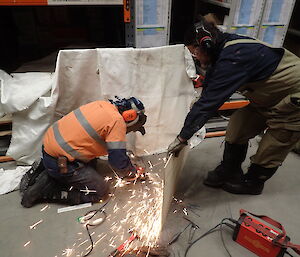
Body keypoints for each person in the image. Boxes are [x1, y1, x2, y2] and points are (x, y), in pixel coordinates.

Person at [167, 15, 300, 195]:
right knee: (237, 128)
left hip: (293, 100)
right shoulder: (221, 47)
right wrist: (202, 98)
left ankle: (253, 182)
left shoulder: (234, 57)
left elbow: (209, 105)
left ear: (204, 45)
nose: (195, 58)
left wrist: (182, 138)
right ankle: (230, 169)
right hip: (265, 97)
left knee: (274, 144)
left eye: (194, 53)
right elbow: (212, 79)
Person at [21, 97, 147, 207]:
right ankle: (46, 190)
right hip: (61, 162)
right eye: (132, 129)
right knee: (100, 192)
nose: (129, 132)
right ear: (129, 117)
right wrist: (132, 172)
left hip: (50, 147)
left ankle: (43, 168)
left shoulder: (103, 105)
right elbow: (117, 162)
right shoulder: (117, 122)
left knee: (95, 167)